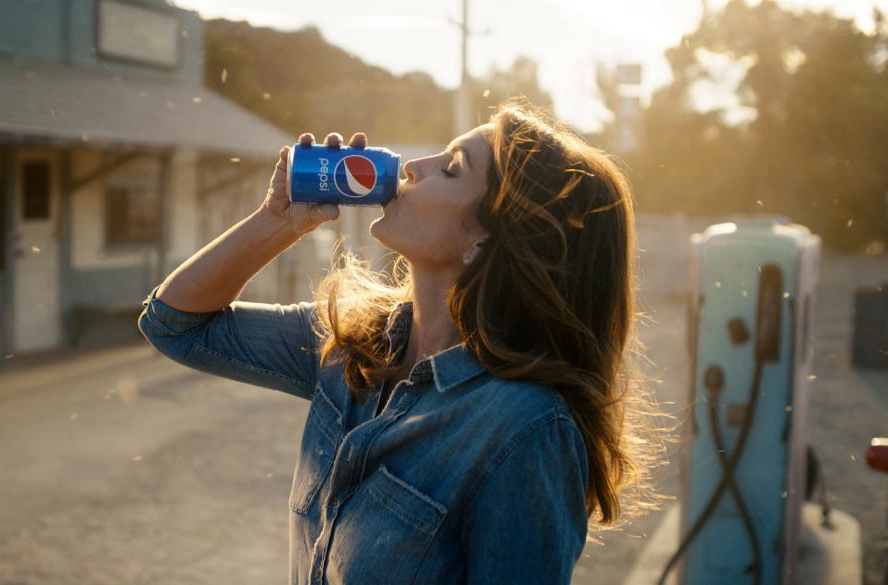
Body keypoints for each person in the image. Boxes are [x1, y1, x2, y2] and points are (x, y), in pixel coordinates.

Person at [138, 100, 668, 584]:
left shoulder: (523, 430)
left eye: (452, 167)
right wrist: (276, 222)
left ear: (486, 241)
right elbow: (175, 325)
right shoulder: (350, 343)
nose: (414, 166)